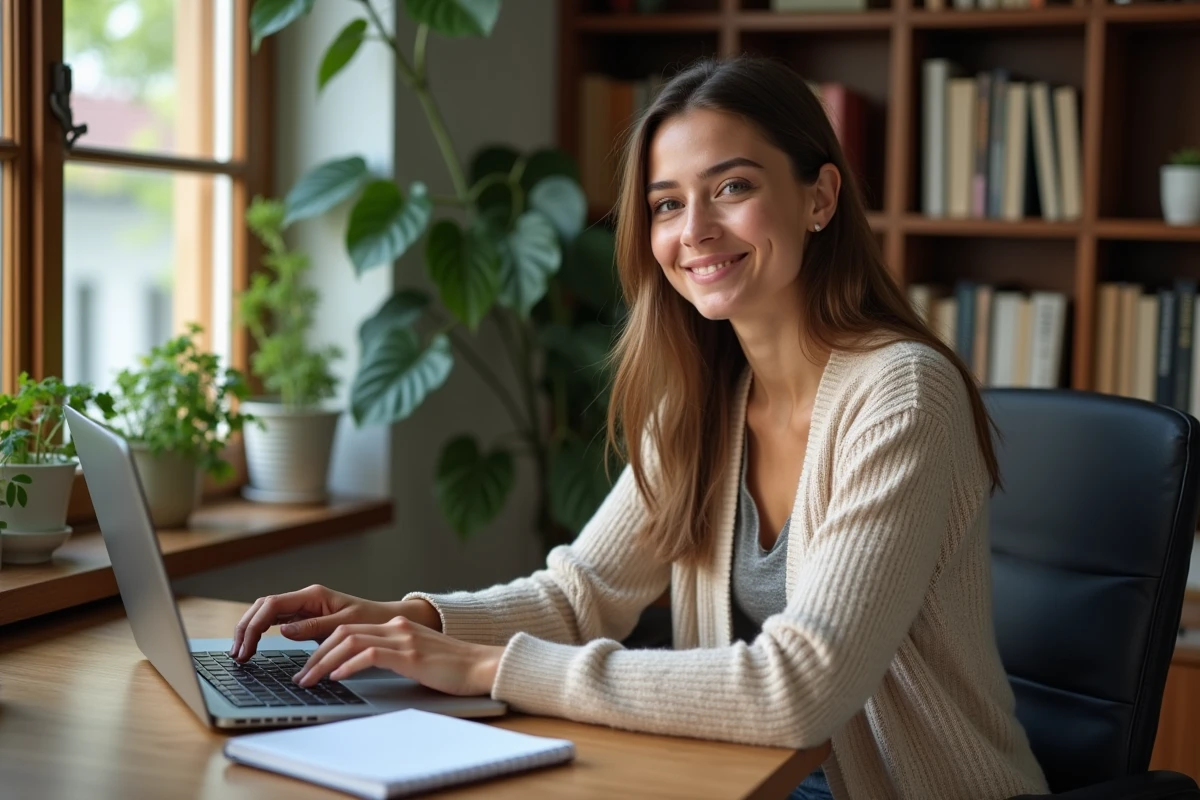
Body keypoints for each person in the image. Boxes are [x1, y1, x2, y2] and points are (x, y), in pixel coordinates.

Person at [230, 55, 1049, 799]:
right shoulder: (703, 400)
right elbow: (580, 596)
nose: (694, 231)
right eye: (667, 204)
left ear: (820, 197)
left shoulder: (902, 396)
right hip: (757, 781)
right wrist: (407, 620)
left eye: (732, 187)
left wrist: (485, 666)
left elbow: (799, 690)